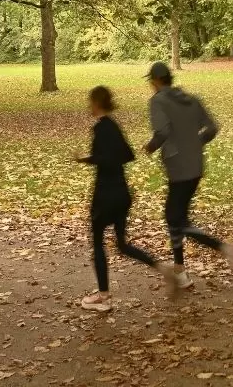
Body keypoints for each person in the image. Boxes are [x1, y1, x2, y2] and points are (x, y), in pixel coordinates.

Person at [143, 62, 233, 290]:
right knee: (176, 216)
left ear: (156, 81)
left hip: (178, 167)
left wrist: (151, 146)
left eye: (151, 81)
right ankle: (180, 271)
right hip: (195, 167)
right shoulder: (190, 99)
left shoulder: (158, 101)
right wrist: (195, 144)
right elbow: (212, 128)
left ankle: (224, 249)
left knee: (176, 219)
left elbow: (162, 132)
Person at [77, 85, 175, 312]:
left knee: (98, 243)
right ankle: (162, 269)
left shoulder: (101, 129)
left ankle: (103, 297)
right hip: (122, 194)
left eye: (91, 102)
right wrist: (94, 158)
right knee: (122, 244)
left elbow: (106, 159)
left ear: (97, 103)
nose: (89, 106)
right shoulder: (114, 126)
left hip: (106, 195)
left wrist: (89, 158)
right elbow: (127, 154)